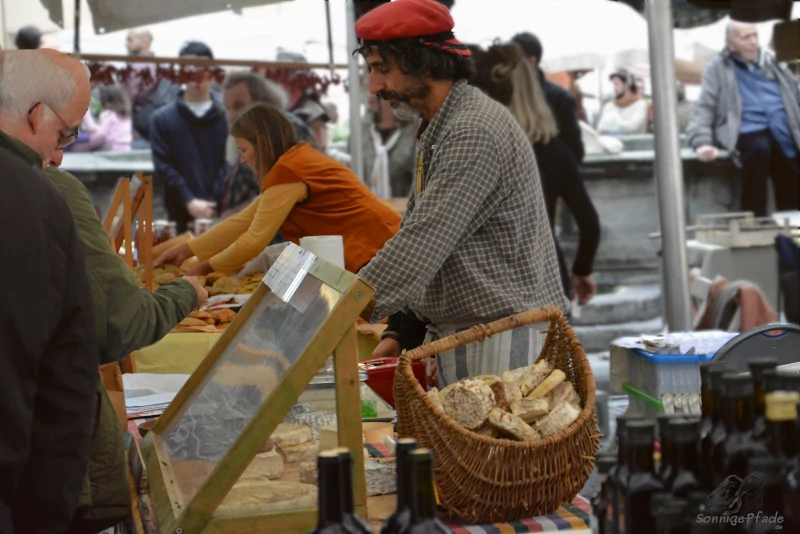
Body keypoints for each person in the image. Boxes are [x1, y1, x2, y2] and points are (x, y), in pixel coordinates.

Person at [354, 0, 568, 387]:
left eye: (382, 68)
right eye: (371, 69)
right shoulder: (443, 124)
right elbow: (422, 234)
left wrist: (341, 307)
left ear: (423, 62)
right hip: (477, 337)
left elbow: (422, 243)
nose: (375, 86)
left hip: (503, 344)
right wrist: (399, 331)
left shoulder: (472, 129)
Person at [0, 48, 99, 534]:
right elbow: (67, 373)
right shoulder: (40, 201)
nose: (60, 155)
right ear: (36, 115)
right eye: (64, 134)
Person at [155, 104, 401, 276]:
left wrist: (205, 268)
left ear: (261, 145)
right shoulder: (295, 161)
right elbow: (244, 221)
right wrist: (187, 250)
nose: (242, 160)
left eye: (243, 150)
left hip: (379, 250)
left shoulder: (288, 170)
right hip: (383, 245)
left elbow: (253, 241)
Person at [471, 43, 600, 308]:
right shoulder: (555, 151)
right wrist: (582, 269)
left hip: (488, 285)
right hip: (547, 277)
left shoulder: (478, 148)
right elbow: (589, 224)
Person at [687, 21, 800, 216]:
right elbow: (704, 107)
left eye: (755, 35)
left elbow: (796, 96)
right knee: (759, 150)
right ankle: (753, 224)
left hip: (782, 130)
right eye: (745, 37)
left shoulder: (773, 61)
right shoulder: (717, 68)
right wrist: (701, 142)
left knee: (789, 163)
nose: (753, 42)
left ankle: (793, 235)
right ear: (730, 44)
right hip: (749, 131)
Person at [150, 41, 229, 233]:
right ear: (181, 73)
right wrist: (189, 200)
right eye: (191, 70)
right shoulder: (162, 119)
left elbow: (231, 162)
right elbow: (164, 166)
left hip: (224, 211)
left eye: (204, 69)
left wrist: (212, 202)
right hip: (179, 212)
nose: (198, 76)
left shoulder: (228, 116)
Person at [220, 71, 315, 217]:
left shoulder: (287, 129)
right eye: (228, 108)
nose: (231, 115)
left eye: (238, 105)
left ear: (263, 102)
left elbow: (286, 191)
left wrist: (236, 217)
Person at [512, 32, 585, 162]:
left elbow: (575, 151)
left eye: (514, 61)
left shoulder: (559, 98)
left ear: (531, 62)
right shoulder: (505, 94)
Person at [363, 94, 418, 198]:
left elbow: (416, 172)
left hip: (401, 206)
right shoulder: (363, 135)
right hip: (367, 204)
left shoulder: (410, 133)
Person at [69, 84, 133, 152]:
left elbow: (102, 133)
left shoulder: (107, 115)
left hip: (112, 148)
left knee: (97, 142)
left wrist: (94, 131)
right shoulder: (126, 116)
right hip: (127, 148)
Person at [596, 69, 649, 135]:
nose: (614, 88)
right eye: (613, 84)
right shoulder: (610, 106)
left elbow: (633, 127)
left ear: (627, 84)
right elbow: (600, 129)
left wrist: (613, 122)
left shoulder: (640, 104)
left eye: (617, 84)